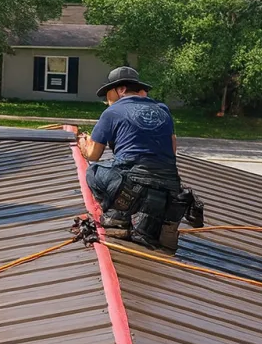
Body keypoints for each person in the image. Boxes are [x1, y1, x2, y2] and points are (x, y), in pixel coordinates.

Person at [77, 67, 202, 253]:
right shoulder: (162, 109)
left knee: (93, 172)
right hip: (169, 188)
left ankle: (118, 217)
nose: (106, 100)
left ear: (120, 90)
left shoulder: (112, 112)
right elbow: (172, 149)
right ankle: (154, 225)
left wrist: (82, 143)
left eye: (108, 93)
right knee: (144, 185)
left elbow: (94, 155)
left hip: (132, 185)